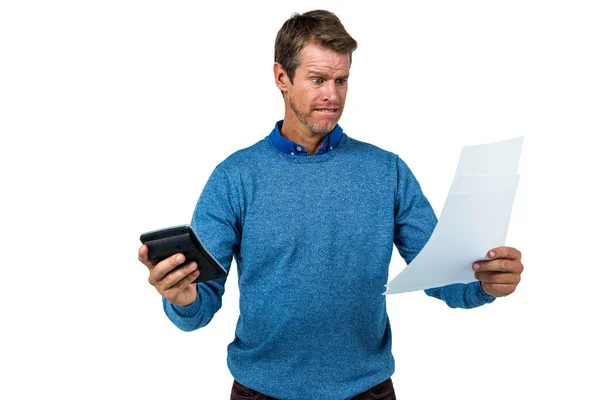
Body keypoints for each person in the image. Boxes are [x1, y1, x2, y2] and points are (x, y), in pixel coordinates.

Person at [138, 9, 524, 400]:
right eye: (318, 79)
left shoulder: (387, 171)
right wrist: (182, 298)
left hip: (367, 390)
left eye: (342, 81)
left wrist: (485, 282)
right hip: (262, 392)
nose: (333, 95)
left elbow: (443, 274)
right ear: (281, 78)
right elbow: (199, 306)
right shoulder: (234, 177)